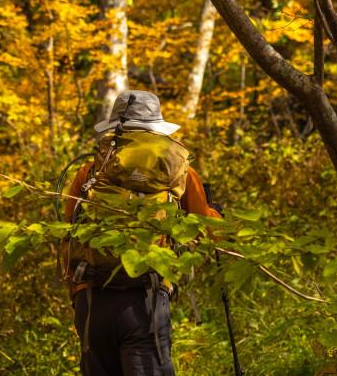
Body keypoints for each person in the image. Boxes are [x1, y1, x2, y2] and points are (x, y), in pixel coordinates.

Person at [63, 90, 221, 376]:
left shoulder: (89, 173)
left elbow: (67, 233)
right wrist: (216, 214)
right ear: (156, 130)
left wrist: (77, 293)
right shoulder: (179, 172)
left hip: (92, 299)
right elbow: (207, 231)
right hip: (145, 300)